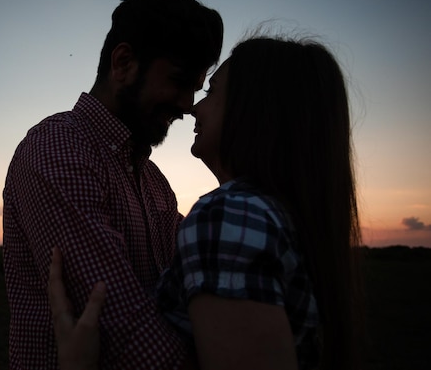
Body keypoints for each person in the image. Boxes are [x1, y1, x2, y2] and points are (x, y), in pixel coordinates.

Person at [48, 35, 365, 370]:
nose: (193, 107)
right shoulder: (279, 214)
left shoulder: (230, 217)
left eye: (211, 92)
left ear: (256, 110)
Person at [2, 0, 223, 369]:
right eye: (179, 80)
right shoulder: (58, 148)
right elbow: (123, 326)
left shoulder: (154, 182)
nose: (188, 105)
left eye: (196, 88)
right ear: (123, 64)